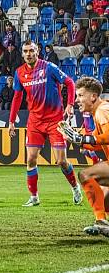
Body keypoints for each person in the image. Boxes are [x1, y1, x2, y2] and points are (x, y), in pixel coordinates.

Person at [9, 41, 81, 207]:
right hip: (35, 121)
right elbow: (17, 98)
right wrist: (11, 121)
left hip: (55, 121)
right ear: (22, 54)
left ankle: (75, 187)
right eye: (25, 51)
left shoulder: (49, 67)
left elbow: (70, 82)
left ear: (37, 51)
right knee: (31, 159)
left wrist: (70, 105)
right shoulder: (19, 73)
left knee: (61, 161)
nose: (28, 54)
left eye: (31, 50)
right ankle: (34, 197)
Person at [57, 77, 109, 237]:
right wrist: (77, 139)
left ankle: (101, 221)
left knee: (86, 175)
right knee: (104, 198)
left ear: (93, 96)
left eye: (80, 95)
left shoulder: (102, 110)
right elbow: (97, 142)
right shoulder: (99, 111)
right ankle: (102, 223)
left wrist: (81, 139)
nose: (76, 100)